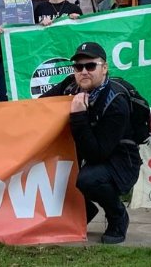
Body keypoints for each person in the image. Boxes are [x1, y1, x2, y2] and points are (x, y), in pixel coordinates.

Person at [46, 42, 140, 244]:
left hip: (121, 162)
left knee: (88, 180)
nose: (83, 72)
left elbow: (97, 154)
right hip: (87, 154)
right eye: (78, 67)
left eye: (90, 66)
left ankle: (117, 216)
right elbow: (40, 107)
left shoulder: (116, 102)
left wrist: (78, 116)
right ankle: (85, 210)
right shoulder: (70, 85)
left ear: (104, 68)